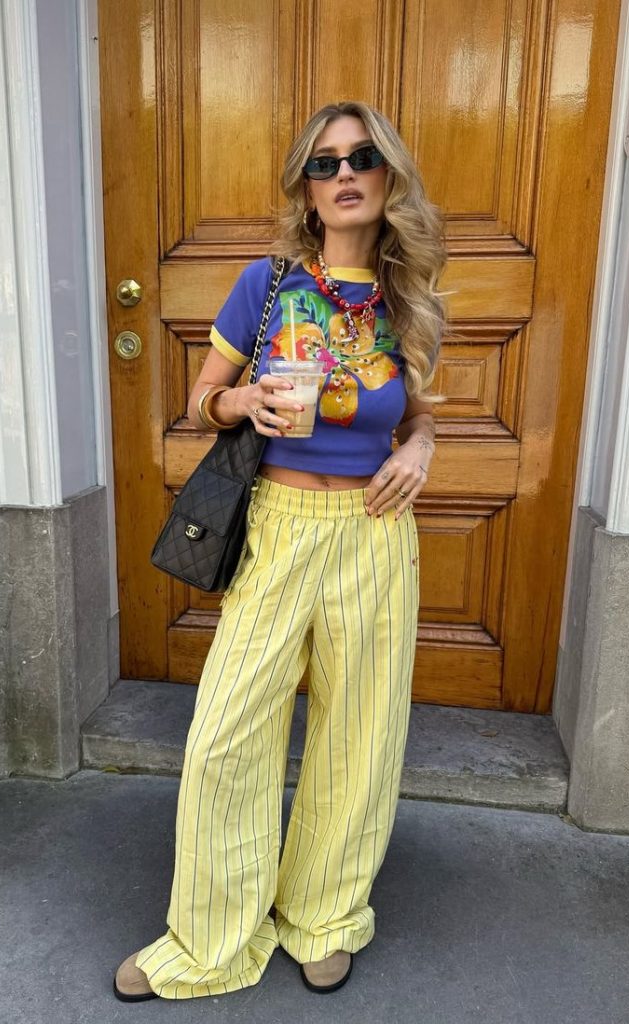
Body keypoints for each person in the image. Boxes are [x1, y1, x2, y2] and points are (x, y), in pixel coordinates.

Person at [113, 99, 447, 1002]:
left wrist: (417, 452)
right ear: (306, 188)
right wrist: (242, 402)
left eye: (361, 158)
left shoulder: (406, 301)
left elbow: (416, 417)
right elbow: (201, 401)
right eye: (324, 163)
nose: (344, 175)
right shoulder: (267, 284)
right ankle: (211, 936)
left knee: (359, 736)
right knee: (227, 733)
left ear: (387, 175)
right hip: (279, 524)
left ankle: (324, 915)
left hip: (375, 535)